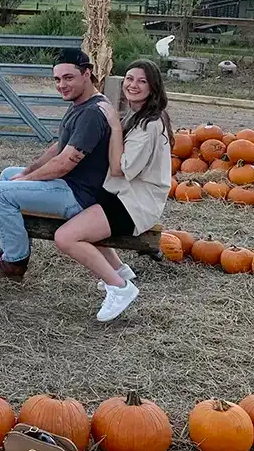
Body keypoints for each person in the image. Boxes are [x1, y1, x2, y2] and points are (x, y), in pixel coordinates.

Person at [53, 60, 173, 322]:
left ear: (153, 87)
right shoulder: (138, 115)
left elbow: (119, 169)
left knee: (66, 237)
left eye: (142, 81)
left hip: (135, 203)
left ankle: (120, 288)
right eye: (129, 78)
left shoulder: (149, 125)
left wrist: (115, 126)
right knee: (82, 214)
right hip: (122, 194)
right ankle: (120, 270)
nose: (133, 85)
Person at [0, 49, 110, 283]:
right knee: (9, 175)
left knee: (0, 193)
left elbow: (64, 163)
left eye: (68, 77)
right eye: (57, 79)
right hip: (69, 184)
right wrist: (27, 172)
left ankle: (15, 262)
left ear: (86, 74)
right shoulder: (80, 104)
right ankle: (13, 246)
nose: (61, 85)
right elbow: (58, 148)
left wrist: (28, 181)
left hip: (79, 197)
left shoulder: (92, 113)